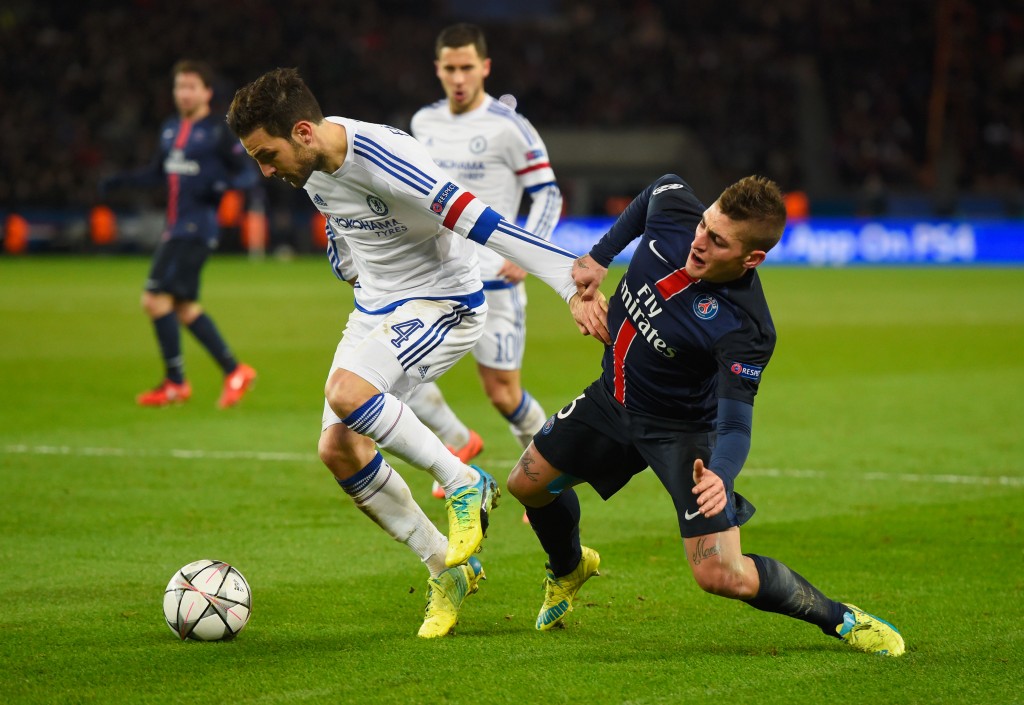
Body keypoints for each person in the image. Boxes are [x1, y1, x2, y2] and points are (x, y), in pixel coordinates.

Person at [225, 67, 602, 638]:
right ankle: (445, 569)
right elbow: (342, 227)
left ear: (302, 131)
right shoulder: (308, 169)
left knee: (347, 393)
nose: (265, 169)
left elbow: (482, 222)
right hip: (376, 309)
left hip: (444, 303)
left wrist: (567, 280)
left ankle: (461, 480)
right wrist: (345, 260)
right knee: (338, 450)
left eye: (266, 154)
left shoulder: (384, 156)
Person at [507, 174, 906, 656]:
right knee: (526, 485)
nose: (698, 241)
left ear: (751, 258)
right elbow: (656, 189)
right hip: (611, 400)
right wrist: (599, 255)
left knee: (721, 575)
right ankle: (569, 567)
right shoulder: (677, 211)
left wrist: (721, 473)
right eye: (704, 224)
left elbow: (736, 422)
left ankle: (838, 617)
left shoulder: (747, 328)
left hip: (681, 433)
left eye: (717, 240)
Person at [405, 23, 562, 503]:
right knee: (397, 372)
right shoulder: (423, 123)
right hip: (432, 276)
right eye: (449, 68)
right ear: (437, 69)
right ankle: (457, 441)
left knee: (503, 394)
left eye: (467, 67)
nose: (458, 77)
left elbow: (547, 192)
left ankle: (547, 483)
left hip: (493, 279)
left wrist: (528, 249)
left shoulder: (508, 126)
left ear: (485, 68)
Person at [100, 60, 259, 409]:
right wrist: (120, 181)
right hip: (176, 227)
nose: (184, 93)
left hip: (196, 228)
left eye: (191, 86)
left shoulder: (218, 131)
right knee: (184, 307)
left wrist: (221, 185)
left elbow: (248, 173)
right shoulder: (171, 128)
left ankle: (176, 383)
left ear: (206, 92)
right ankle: (235, 371)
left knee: (154, 299)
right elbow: (156, 173)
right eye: (179, 86)